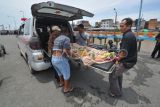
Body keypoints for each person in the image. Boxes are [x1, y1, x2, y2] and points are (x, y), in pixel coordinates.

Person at [108, 18, 137, 97]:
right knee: (118, 74)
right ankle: (118, 88)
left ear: (129, 26)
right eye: (120, 26)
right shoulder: (129, 34)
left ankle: (116, 92)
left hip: (127, 61)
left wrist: (117, 58)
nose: (120, 27)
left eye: (122, 26)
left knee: (113, 75)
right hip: (129, 60)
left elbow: (124, 52)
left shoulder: (127, 36)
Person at [51, 27, 75, 93]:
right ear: (67, 32)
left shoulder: (56, 39)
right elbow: (65, 50)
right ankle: (66, 88)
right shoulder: (66, 38)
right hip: (60, 59)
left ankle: (61, 83)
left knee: (59, 72)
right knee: (66, 74)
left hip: (53, 58)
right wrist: (73, 55)